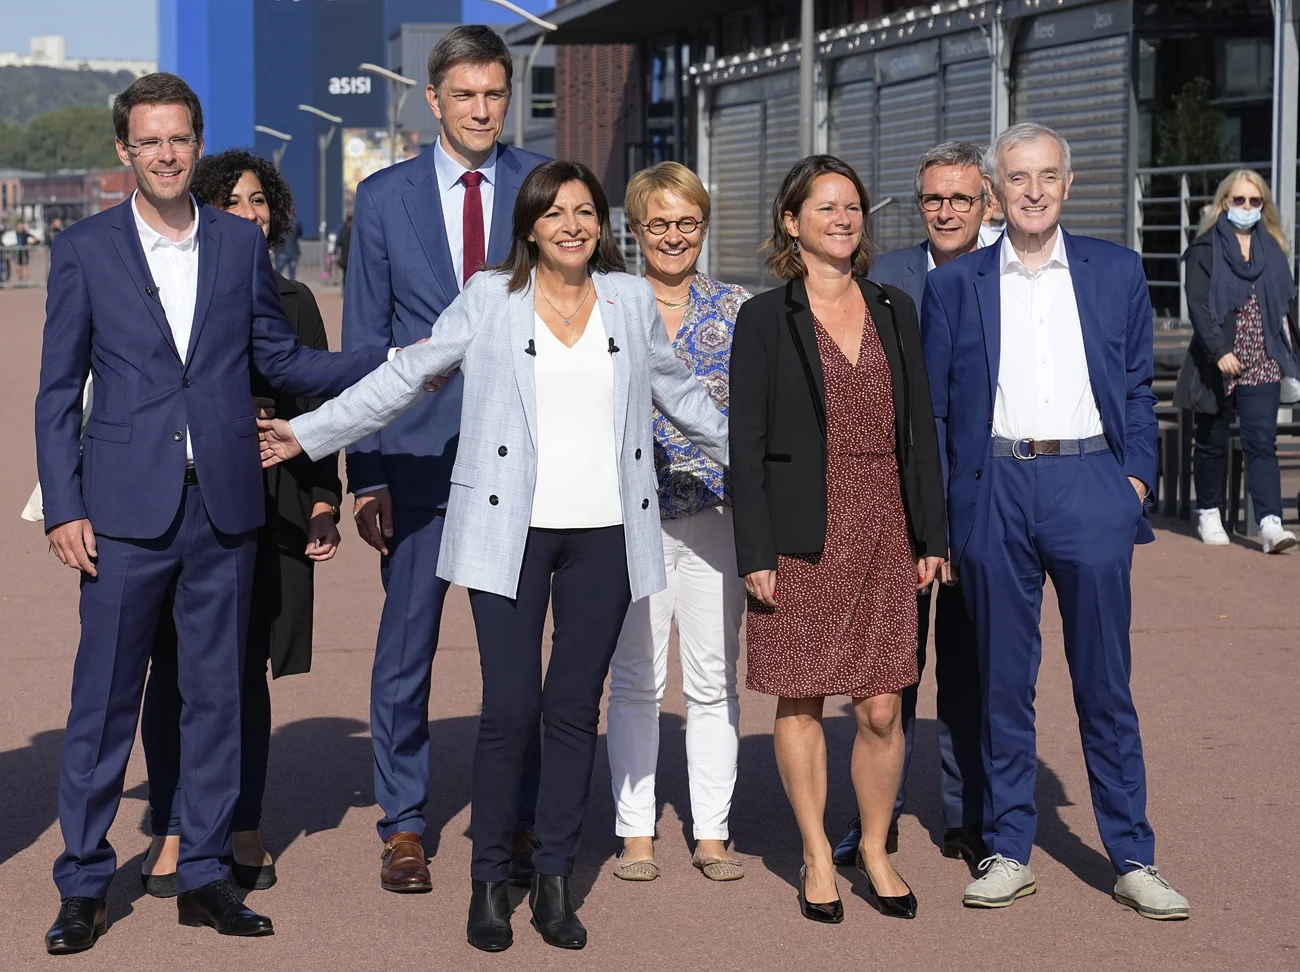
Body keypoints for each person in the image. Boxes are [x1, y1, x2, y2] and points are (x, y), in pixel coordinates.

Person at [258, 159, 728, 952]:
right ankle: (487, 883)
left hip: (606, 536)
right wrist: (308, 433)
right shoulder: (490, 297)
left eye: (585, 212)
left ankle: (552, 883)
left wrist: (766, 467)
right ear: (530, 227)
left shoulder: (628, 298)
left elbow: (683, 398)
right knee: (510, 709)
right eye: (555, 213)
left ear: (602, 224)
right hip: (509, 532)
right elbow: (406, 374)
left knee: (573, 711)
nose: (572, 226)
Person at [34, 73, 387, 955]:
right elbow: (55, 395)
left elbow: (283, 360)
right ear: (124, 150)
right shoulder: (83, 249)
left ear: (197, 142)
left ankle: (204, 877)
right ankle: (83, 884)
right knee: (103, 704)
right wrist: (63, 507)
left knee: (219, 701)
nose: (165, 154)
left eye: (179, 138)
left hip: (224, 509)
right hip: (121, 513)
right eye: (149, 140)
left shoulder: (236, 244)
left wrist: (390, 360)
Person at [922, 122, 1190, 919]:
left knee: (1105, 682)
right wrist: (946, 523)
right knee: (1002, 683)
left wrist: (1132, 482)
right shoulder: (956, 284)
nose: (1033, 191)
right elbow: (936, 414)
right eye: (1018, 178)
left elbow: (1136, 388)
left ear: (1067, 186)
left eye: (1047, 177)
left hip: (1091, 485)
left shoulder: (1117, 270)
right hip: (994, 490)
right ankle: (1009, 848)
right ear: (995, 193)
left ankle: (1133, 856)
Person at [340, 24, 549, 894]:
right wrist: (368, 472)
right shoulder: (382, 197)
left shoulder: (544, 185)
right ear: (432, 100)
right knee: (406, 651)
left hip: (524, 457)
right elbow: (365, 338)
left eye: (494, 94)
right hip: (416, 459)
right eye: (464, 95)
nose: (481, 110)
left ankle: (520, 821)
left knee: (516, 660)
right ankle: (403, 823)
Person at [729, 154, 947, 924]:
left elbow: (918, 432)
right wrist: (755, 550)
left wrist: (931, 532)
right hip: (801, 532)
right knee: (803, 696)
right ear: (792, 222)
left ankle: (877, 849)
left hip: (886, 523)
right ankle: (818, 853)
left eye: (852, 206)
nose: (843, 218)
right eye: (825, 207)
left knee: (883, 705)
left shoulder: (893, 307)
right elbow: (746, 444)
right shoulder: (764, 317)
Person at [137, 149, 345, 898]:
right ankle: (172, 822)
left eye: (258, 201)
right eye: (230, 202)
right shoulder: (168, 288)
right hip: (181, 496)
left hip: (272, 496)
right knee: (173, 669)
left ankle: (243, 823)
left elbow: (319, 409)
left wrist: (323, 500)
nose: (249, 214)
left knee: (246, 670)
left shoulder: (295, 300)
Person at [832, 140, 988, 869]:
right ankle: (878, 815)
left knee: (971, 664)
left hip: (985, 500)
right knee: (890, 669)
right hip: (894, 506)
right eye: (933, 198)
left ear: (986, 202)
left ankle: (967, 816)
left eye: (960, 198)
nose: (946, 211)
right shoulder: (884, 277)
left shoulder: (1008, 274)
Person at [605, 162, 749, 883]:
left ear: (704, 226)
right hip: (627, 519)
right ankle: (635, 832)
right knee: (634, 677)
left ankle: (712, 832)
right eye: (658, 223)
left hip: (716, 518)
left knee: (713, 677)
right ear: (634, 229)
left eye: (687, 222)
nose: (673, 236)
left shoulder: (739, 310)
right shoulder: (606, 304)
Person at [1174, 168, 1299, 553]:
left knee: (1261, 441)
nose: (1246, 207)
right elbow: (1198, 305)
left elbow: (1287, 304)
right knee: (1211, 441)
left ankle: (1270, 523)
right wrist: (1219, 350)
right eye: (1239, 199)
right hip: (1217, 358)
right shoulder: (1205, 249)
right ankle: (1209, 512)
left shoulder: (1272, 249)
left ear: (1263, 205)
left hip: (1263, 357)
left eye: (1254, 200)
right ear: (1224, 202)